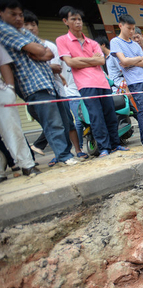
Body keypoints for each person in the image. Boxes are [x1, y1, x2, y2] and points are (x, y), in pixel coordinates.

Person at [0, 0, 77, 166]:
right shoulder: (4, 30)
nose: (18, 18)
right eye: (13, 14)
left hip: (48, 82)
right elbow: (40, 50)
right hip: (32, 84)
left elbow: (46, 52)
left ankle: (66, 154)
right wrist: (37, 51)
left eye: (20, 14)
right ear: (2, 13)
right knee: (53, 123)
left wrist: (37, 51)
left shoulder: (21, 31)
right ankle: (64, 156)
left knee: (63, 121)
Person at [56, 6, 129, 158]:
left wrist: (82, 60)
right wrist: (92, 60)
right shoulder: (62, 40)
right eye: (73, 19)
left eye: (80, 19)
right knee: (96, 117)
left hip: (102, 83)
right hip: (86, 85)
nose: (78, 22)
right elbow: (70, 62)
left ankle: (116, 144)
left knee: (110, 115)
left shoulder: (92, 42)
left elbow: (101, 60)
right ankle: (104, 148)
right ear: (65, 21)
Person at [23, 10, 88, 161]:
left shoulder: (49, 46)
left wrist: (35, 61)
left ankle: (75, 151)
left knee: (67, 123)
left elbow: (57, 67)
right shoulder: (20, 48)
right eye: (26, 24)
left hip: (57, 90)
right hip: (35, 91)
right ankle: (62, 155)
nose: (31, 27)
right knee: (52, 125)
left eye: (33, 24)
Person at [110, 14, 143, 149]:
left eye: (133, 29)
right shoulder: (115, 42)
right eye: (129, 28)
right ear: (121, 26)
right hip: (134, 82)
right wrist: (135, 59)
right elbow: (123, 61)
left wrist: (130, 61)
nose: (131, 31)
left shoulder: (135, 44)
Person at [0, 42, 39, 180]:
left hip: (1, 93)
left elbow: (4, 64)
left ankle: (27, 164)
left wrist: (10, 88)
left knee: (13, 129)